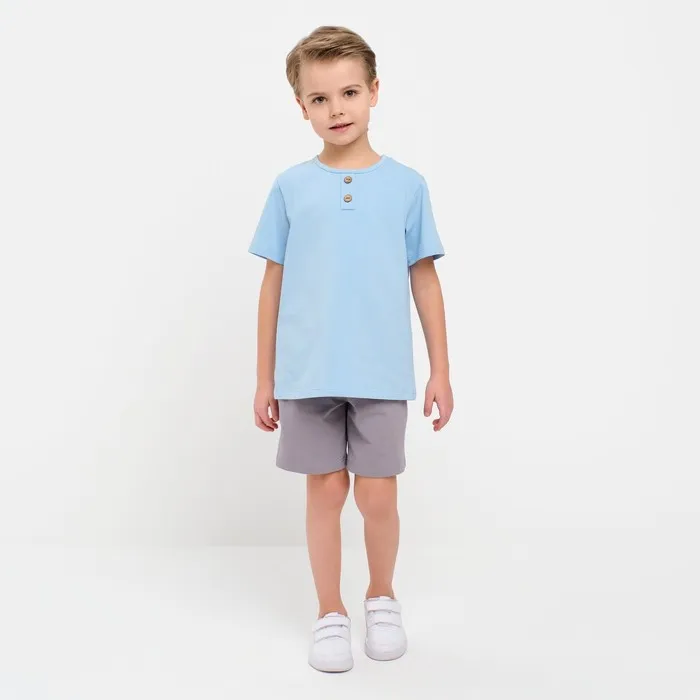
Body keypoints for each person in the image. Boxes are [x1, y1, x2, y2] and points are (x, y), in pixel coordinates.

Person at [248, 25, 453, 673]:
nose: (336, 109)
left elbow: (424, 278)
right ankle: (329, 610)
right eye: (320, 98)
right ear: (301, 107)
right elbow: (273, 283)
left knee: (378, 495)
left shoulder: (407, 186)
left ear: (374, 92)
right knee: (325, 490)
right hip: (306, 373)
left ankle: (381, 596)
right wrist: (264, 378)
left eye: (349, 93)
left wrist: (441, 370)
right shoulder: (290, 187)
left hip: (382, 372)